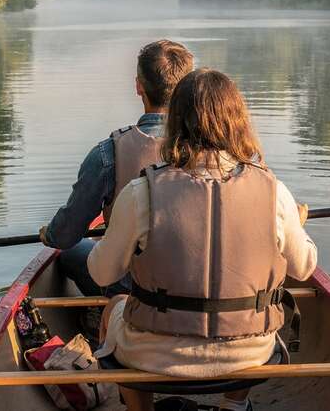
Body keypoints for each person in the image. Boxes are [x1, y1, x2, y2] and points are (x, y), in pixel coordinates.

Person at [89, 69, 317, 411]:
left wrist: (119, 234)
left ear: (175, 123)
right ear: (238, 121)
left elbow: (101, 275)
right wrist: (296, 224)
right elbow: (305, 267)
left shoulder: (141, 193)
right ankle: (235, 405)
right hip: (250, 352)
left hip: (155, 353)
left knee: (114, 305)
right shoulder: (275, 193)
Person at [39, 39, 194, 296]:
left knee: (68, 250)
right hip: (195, 281)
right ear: (187, 90)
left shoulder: (108, 154)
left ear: (138, 86)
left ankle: (102, 314)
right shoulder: (211, 148)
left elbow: (67, 234)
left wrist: (52, 235)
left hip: (132, 289)